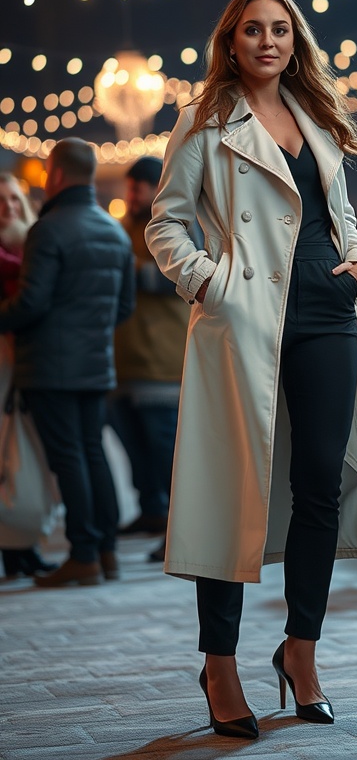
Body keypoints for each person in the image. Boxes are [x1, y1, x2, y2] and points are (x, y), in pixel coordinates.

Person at [145, 0, 357, 739]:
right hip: (244, 317)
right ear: (230, 43)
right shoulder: (203, 119)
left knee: (320, 487)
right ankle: (220, 664)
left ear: (295, 40)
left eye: (281, 29)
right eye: (252, 31)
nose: (268, 41)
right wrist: (210, 282)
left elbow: (343, 221)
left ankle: (301, 653)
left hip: (328, 316)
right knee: (227, 489)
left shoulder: (319, 117)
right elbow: (165, 222)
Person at [0, 139, 135, 587]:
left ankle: (82, 555)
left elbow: (32, 303)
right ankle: (107, 553)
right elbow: (124, 306)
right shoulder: (113, 231)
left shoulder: (50, 228)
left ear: (55, 175)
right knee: (92, 453)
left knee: (69, 458)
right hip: (96, 362)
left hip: (49, 365)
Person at [110, 156, 189, 564]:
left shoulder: (176, 224)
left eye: (139, 186)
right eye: (130, 187)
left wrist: (120, 267)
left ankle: (181, 531)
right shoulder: (123, 228)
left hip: (162, 361)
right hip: (125, 360)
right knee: (137, 449)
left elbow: (174, 276)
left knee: (166, 454)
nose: (132, 194)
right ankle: (152, 512)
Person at [0, 172, 57, 579]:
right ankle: (12, 547)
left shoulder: (34, 248)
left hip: (32, 366)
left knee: (31, 458)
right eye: (1, 202)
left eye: (15, 199)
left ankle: (26, 544)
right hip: (5, 368)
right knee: (8, 459)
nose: (9, 208)